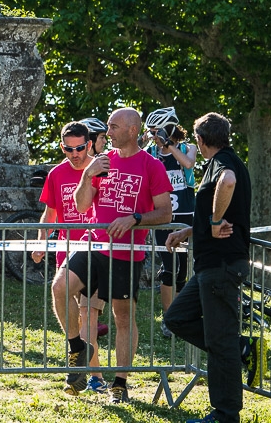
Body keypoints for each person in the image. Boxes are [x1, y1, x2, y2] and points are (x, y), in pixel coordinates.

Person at [62, 107, 172, 404]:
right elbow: (83, 206)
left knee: (122, 318)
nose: (106, 133)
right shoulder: (102, 162)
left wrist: (135, 219)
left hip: (126, 252)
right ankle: (77, 347)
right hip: (93, 245)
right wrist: (87, 175)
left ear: (132, 130)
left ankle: (120, 383)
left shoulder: (151, 166)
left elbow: (165, 212)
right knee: (60, 287)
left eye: (112, 127)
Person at [164, 112, 254, 423]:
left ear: (201, 141)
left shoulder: (223, 164)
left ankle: (225, 415)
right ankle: (239, 346)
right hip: (210, 266)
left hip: (221, 265)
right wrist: (191, 229)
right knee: (176, 317)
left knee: (220, 343)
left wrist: (214, 223)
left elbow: (227, 183)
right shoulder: (224, 160)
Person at [35, 121, 106, 393]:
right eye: (68, 149)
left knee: (88, 316)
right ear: (62, 147)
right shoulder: (56, 174)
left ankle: (93, 377)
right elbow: (50, 214)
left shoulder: (101, 170)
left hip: (97, 251)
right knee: (75, 318)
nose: (74, 154)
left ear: (89, 144)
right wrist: (41, 243)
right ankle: (83, 362)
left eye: (79, 148)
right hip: (66, 255)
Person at [144, 106, 196, 331]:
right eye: (152, 132)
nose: (155, 136)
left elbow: (188, 163)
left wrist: (169, 145)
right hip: (162, 217)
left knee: (182, 269)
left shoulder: (187, 147)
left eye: (158, 131)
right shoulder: (150, 153)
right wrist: (143, 139)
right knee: (169, 267)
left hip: (185, 216)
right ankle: (167, 318)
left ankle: (179, 314)